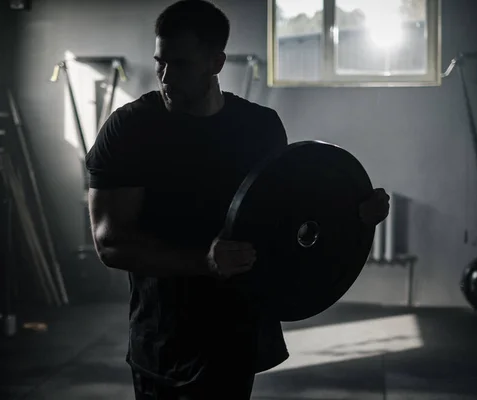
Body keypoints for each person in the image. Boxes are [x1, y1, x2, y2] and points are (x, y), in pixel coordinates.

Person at [85, 1, 390, 398]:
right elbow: (110, 244)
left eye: (180, 65)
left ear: (216, 62)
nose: (164, 77)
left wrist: (354, 215)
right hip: (165, 341)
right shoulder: (129, 130)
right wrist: (205, 262)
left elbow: (288, 220)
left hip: (238, 332)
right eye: (160, 62)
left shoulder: (259, 128)